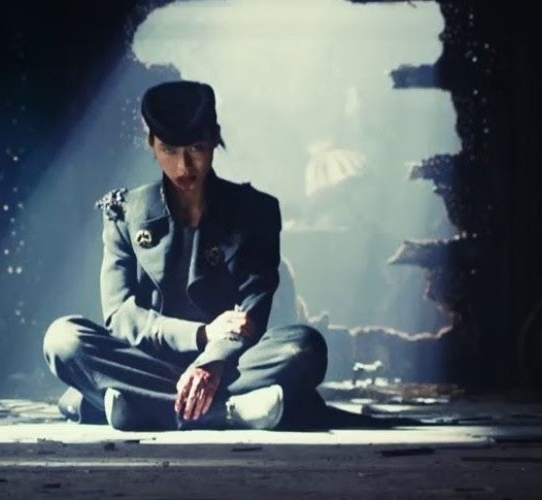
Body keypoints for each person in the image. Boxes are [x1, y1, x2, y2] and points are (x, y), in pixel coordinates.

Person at [42, 81, 329, 431]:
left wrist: (211, 360)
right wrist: (201, 333)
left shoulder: (257, 211)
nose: (184, 166)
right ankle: (227, 412)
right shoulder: (124, 212)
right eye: (169, 149)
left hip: (229, 362)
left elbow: (252, 311)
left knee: (303, 347)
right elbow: (120, 317)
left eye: (196, 148)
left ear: (215, 140)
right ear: (151, 143)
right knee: (63, 339)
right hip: (145, 360)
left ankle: (141, 406)